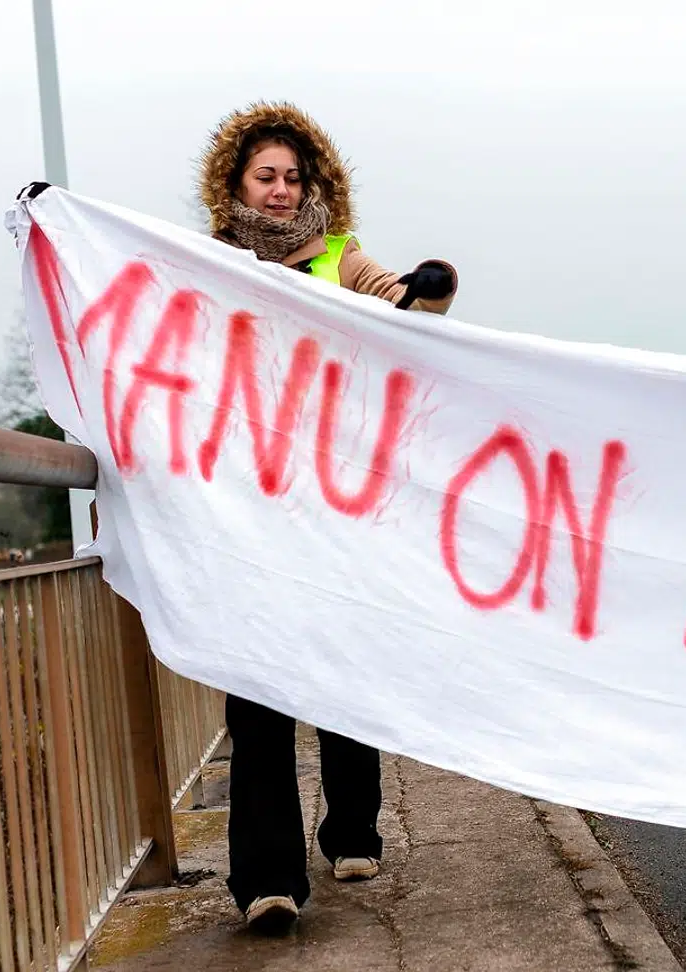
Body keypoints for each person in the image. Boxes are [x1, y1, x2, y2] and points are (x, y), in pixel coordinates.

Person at [196, 101, 459, 934]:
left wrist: (426, 292)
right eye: (265, 177)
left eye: (292, 178)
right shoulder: (205, 264)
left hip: (337, 506)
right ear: (235, 183)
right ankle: (268, 879)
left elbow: (401, 305)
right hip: (248, 510)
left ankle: (353, 829)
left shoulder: (340, 258)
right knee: (258, 691)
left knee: (343, 668)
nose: (280, 191)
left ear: (313, 184)